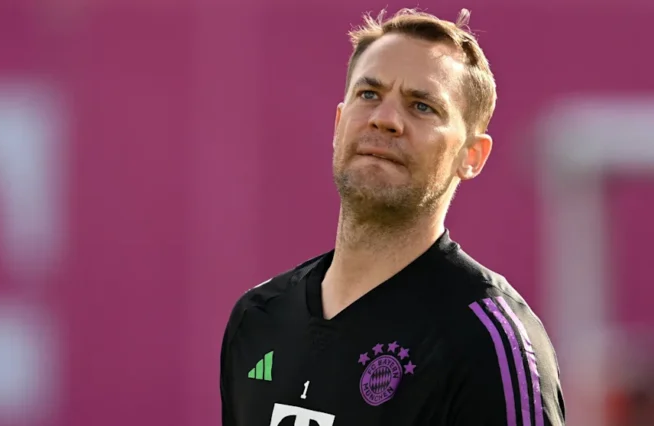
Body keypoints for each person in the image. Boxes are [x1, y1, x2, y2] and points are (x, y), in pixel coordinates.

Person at [220, 7, 565, 426]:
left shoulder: (490, 342)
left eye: (421, 106)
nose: (384, 120)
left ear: (471, 156)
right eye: (369, 95)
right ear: (339, 124)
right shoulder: (259, 318)